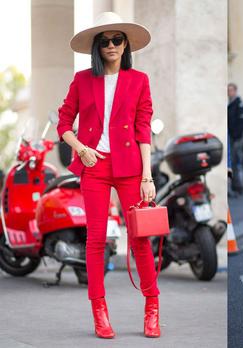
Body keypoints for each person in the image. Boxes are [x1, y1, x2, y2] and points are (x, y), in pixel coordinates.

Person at [57, 12, 161, 339]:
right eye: (105, 41)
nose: (112, 45)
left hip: (131, 166)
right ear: (97, 47)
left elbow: (144, 129)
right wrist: (81, 148)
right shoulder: (82, 80)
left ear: (126, 43)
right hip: (94, 166)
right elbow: (63, 124)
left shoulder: (139, 80)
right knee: (96, 239)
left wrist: (147, 175)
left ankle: (152, 306)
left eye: (118, 39)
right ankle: (99, 311)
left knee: (140, 239)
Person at [228, 83, 243, 194]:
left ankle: (239, 186)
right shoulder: (230, 104)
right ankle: (234, 186)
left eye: (231, 90)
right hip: (231, 137)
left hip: (237, 138)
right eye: (228, 90)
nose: (229, 92)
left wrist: (237, 137)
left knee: (237, 162)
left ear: (235, 91)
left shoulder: (239, 104)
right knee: (232, 162)